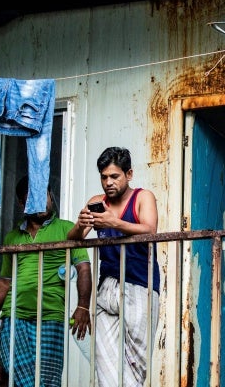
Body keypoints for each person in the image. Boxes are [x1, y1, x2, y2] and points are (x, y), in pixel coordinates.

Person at [0, 176, 92, 387]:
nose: (41, 200)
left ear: (50, 197)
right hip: (14, 317)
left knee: (43, 382)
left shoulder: (67, 229)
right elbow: (4, 282)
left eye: (44, 194)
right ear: (22, 203)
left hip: (50, 317)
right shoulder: (12, 238)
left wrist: (83, 305)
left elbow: (83, 267)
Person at [68, 146, 159, 387]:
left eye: (114, 176)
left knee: (136, 364)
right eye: (103, 176)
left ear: (129, 174)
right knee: (105, 364)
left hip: (140, 285)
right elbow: (73, 239)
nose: (108, 182)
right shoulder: (97, 202)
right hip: (106, 287)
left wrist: (114, 222)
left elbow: (150, 229)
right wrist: (80, 224)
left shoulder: (143, 197)